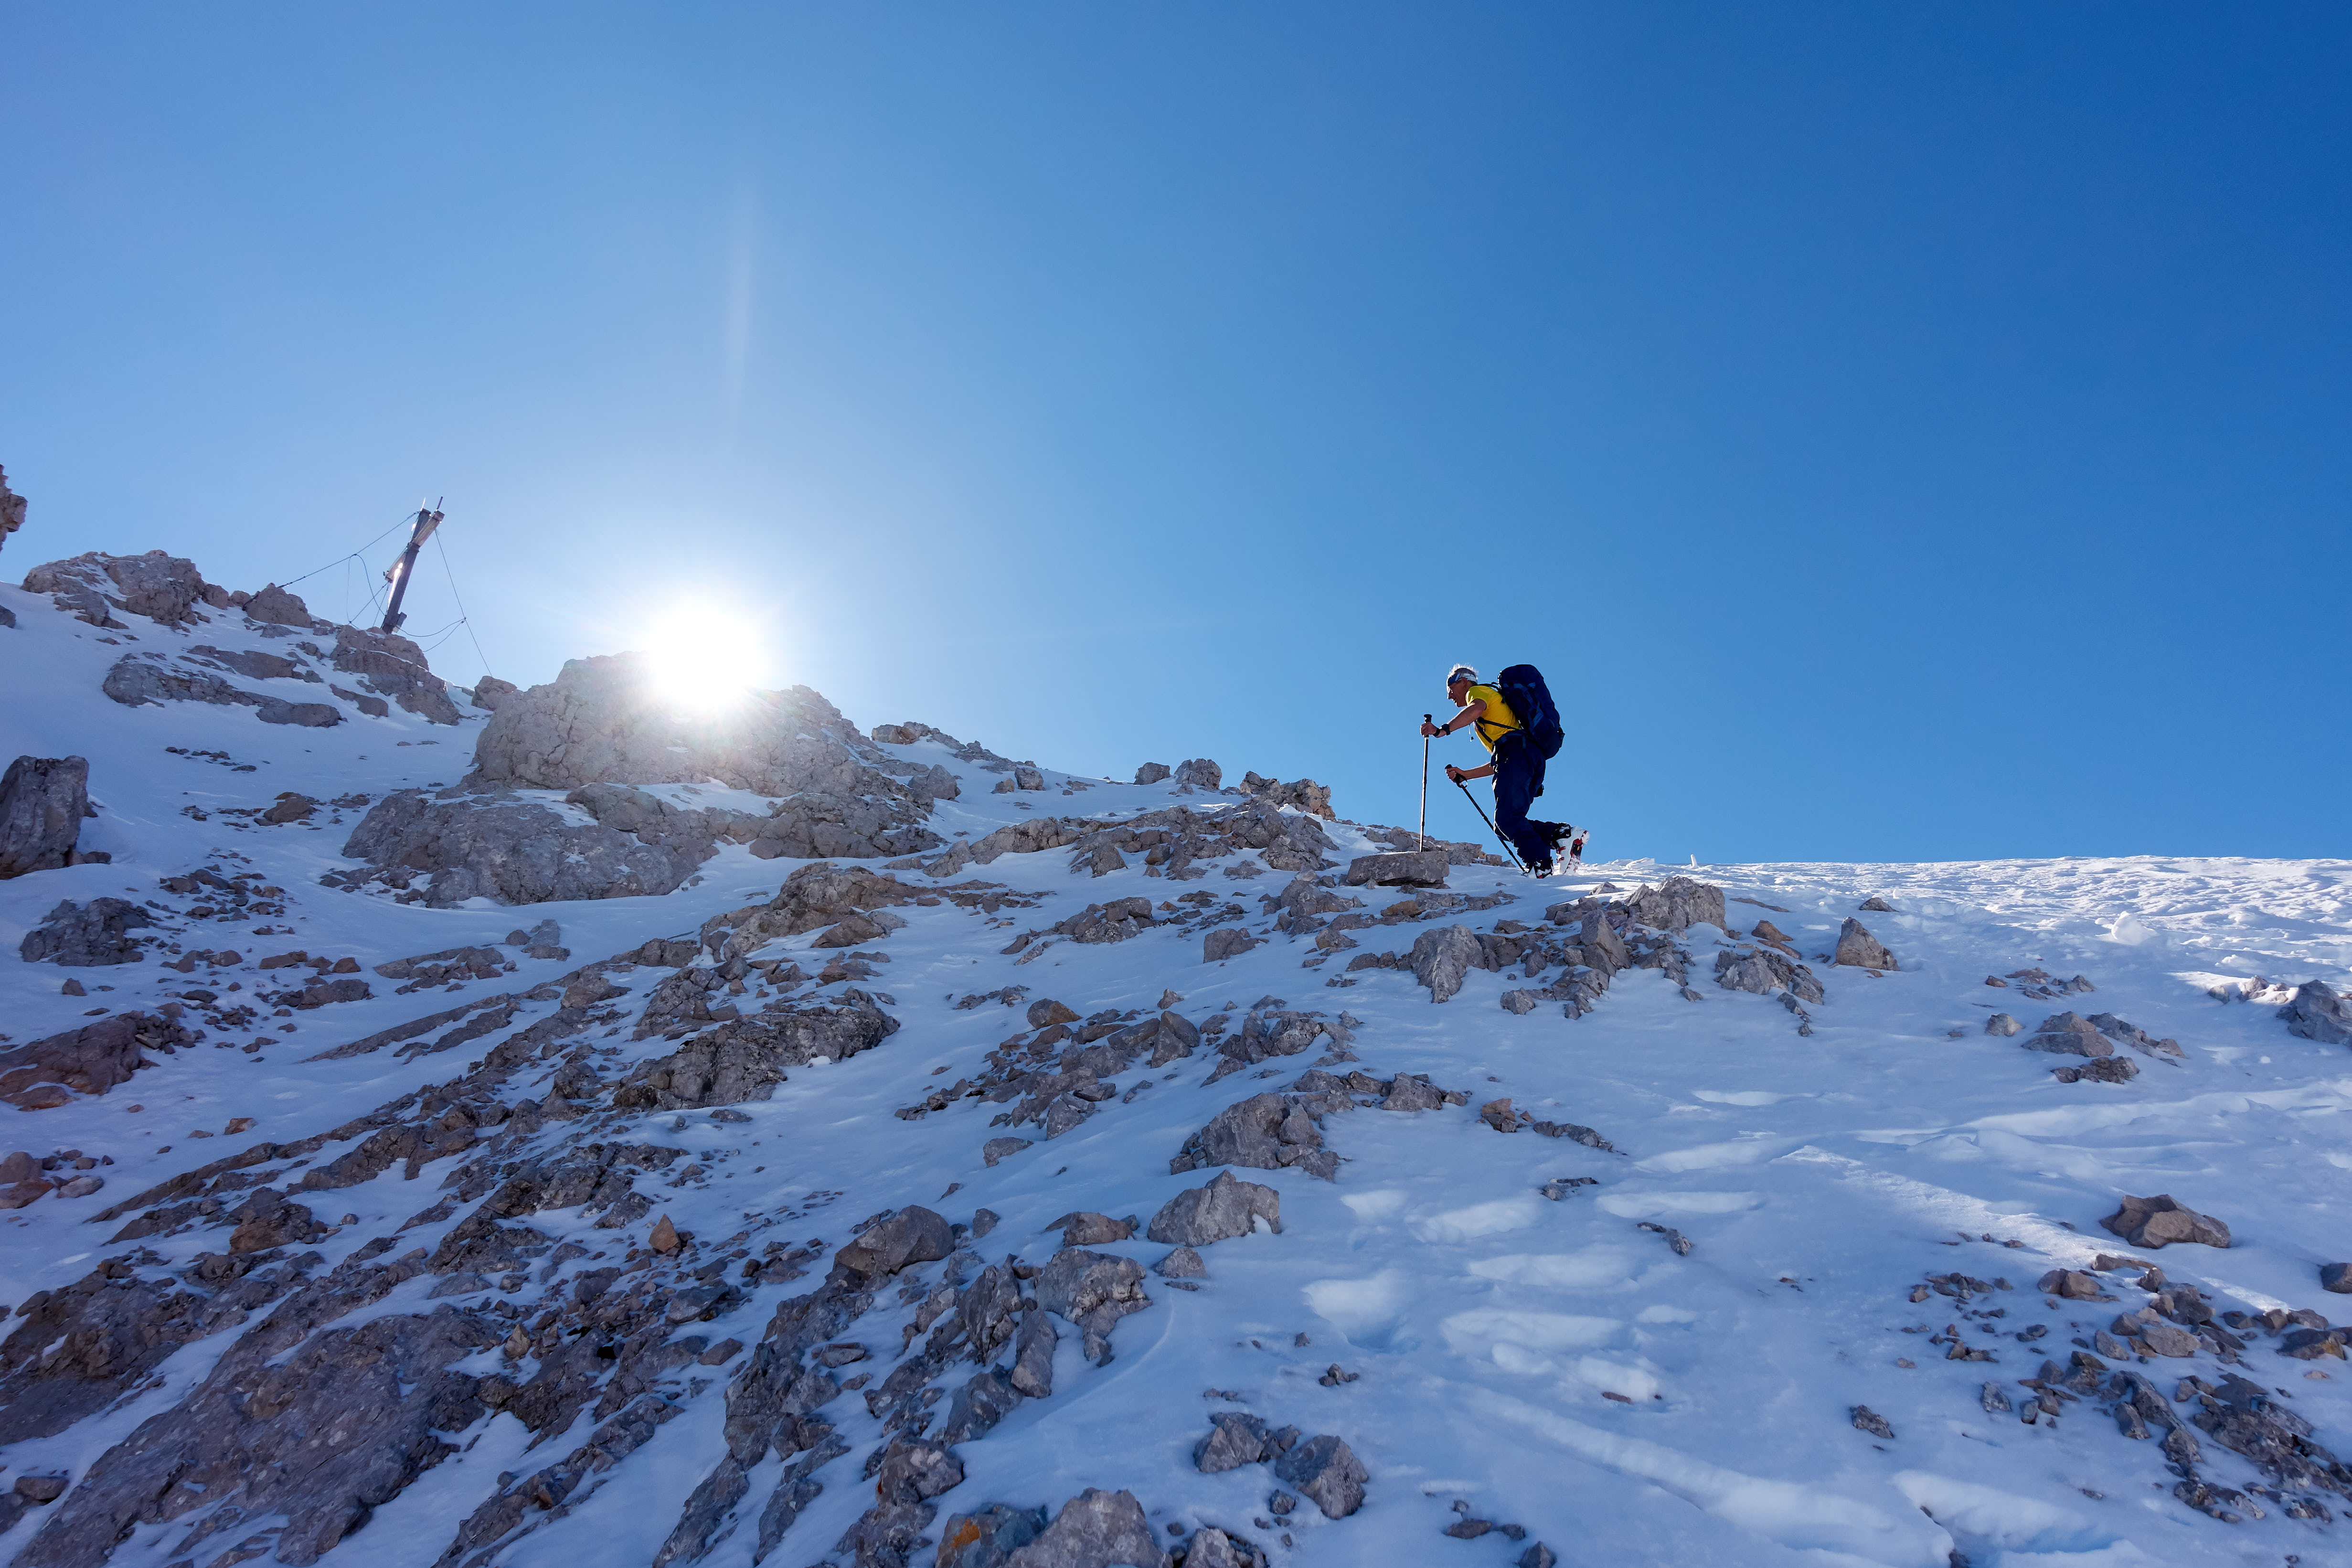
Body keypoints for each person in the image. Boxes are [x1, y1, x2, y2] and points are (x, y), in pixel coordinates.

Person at [1421, 663, 1576, 875]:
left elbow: (1476, 709)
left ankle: (1541, 865)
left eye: (1450, 688)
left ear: (1463, 682)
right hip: (1528, 758)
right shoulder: (1494, 708)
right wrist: (1466, 774)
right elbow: (1498, 762)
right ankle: (1560, 835)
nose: (1449, 697)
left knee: (1507, 820)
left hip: (1517, 755)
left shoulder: (1477, 692)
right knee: (1505, 824)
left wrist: (1443, 731)